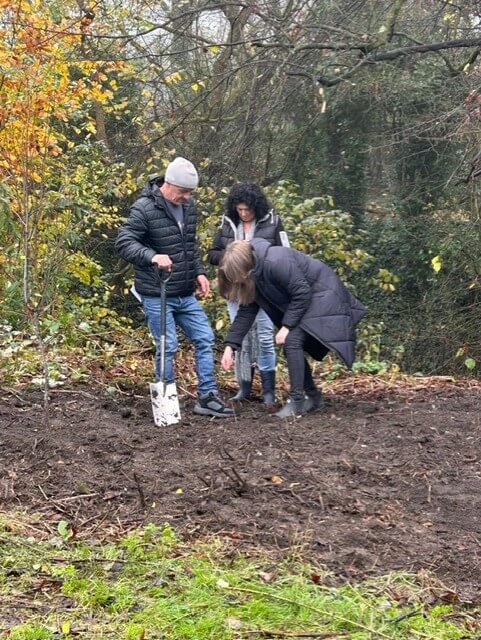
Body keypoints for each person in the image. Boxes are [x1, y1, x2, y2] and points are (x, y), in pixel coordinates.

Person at [115, 157, 234, 418]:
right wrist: (151, 256)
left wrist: (200, 273)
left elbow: (190, 246)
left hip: (184, 293)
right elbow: (123, 242)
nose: (188, 197)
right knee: (167, 347)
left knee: (205, 338)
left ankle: (208, 397)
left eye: (191, 192)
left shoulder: (188, 208)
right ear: (168, 185)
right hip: (156, 293)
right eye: (183, 192)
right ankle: (166, 403)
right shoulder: (144, 208)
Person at [219, 239, 366, 418]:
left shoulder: (276, 261)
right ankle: (313, 396)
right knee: (291, 343)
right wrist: (230, 346)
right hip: (306, 300)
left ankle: (297, 400)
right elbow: (246, 312)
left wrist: (287, 326)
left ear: (244, 266)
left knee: (292, 340)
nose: (236, 281)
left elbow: (302, 293)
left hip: (323, 295)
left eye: (236, 275)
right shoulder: (253, 274)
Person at [208, 183, 289, 407]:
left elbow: (285, 254)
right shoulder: (227, 222)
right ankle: (243, 388)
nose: (243, 213)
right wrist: (233, 255)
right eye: (239, 209)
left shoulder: (272, 222)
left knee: (264, 337)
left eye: (248, 210)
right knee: (241, 337)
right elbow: (212, 255)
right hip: (236, 288)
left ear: (257, 207)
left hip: (263, 288)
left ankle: (269, 391)